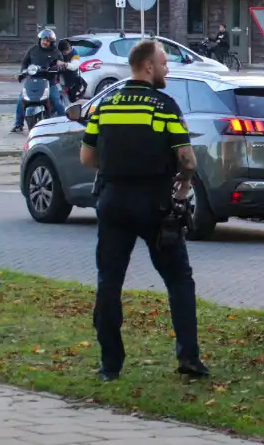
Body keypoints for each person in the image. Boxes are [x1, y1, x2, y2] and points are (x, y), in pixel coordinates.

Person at [79, 39, 210, 382]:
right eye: (164, 64)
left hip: (112, 201)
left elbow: (87, 158)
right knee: (179, 279)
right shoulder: (163, 105)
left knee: (109, 281)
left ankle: (110, 365)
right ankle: (189, 357)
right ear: (149, 67)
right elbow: (187, 158)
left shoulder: (105, 104)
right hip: (155, 203)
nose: (167, 70)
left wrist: (117, 169)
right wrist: (182, 184)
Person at [12, 29, 66, 133]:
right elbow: (25, 63)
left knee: (57, 102)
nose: (44, 42)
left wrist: (57, 67)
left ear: (52, 42)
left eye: (47, 40)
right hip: (32, 81)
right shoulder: (33, 49)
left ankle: (67, 122)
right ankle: (18, 124)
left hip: (49, 82)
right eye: (42, 39)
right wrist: (22, 72)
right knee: (21, 101)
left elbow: (61, 64)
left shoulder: (56, 52)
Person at [57, 39, 85, 105]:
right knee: (62, 96)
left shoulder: (74, 54)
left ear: (68, 48)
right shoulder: (58, 53)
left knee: (71, 99)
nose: (63, 54)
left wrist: (64, 64)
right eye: (62, 52)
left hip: (72, 81)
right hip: (61, 80)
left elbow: (74, 66)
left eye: (64, 52)